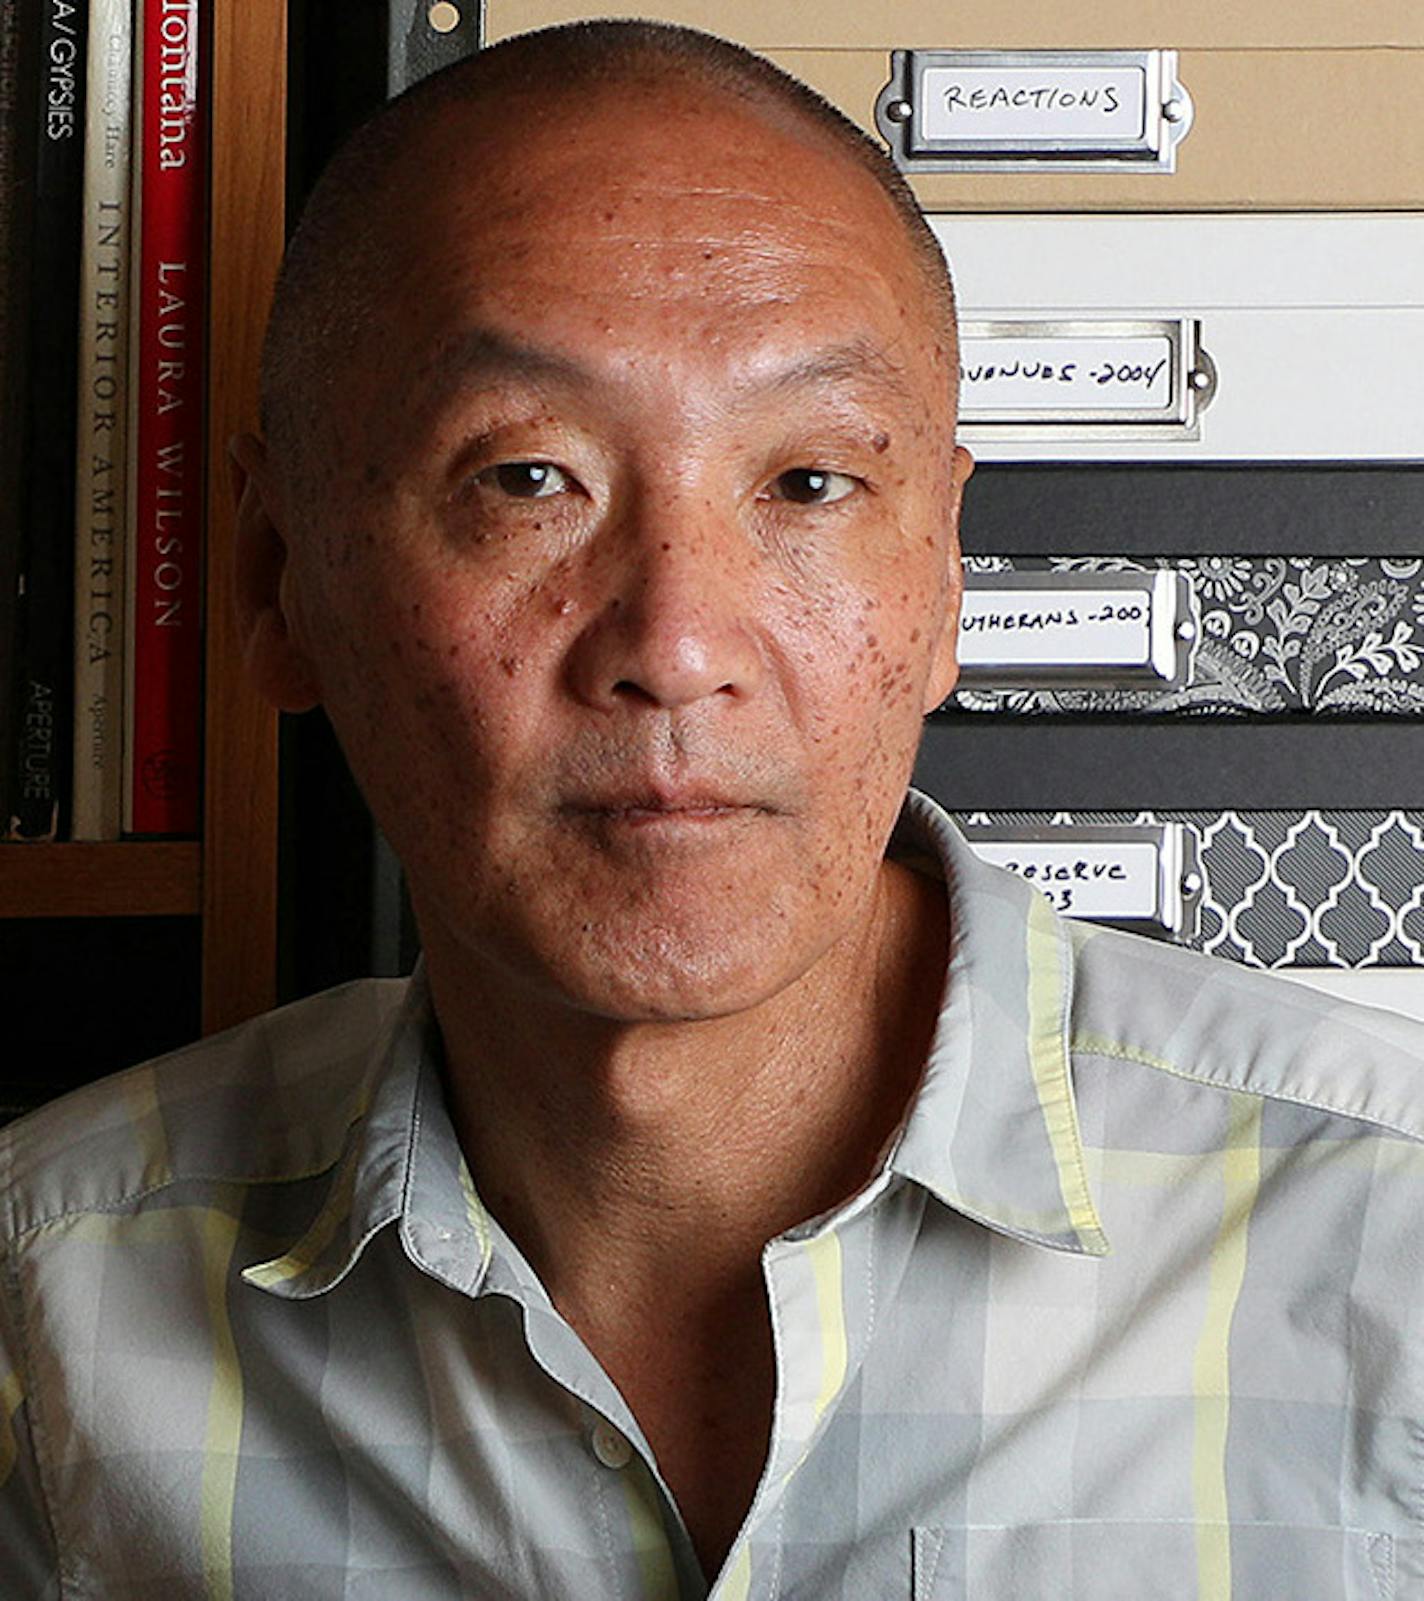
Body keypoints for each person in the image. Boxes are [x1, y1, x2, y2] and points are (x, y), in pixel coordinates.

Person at [3, 20, 1422, 1598]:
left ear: (945, 573)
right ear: (275, 577)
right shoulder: (47, 1310)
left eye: (810, 484)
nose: (674, 647)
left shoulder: (1393, 1241)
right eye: (528, 479)